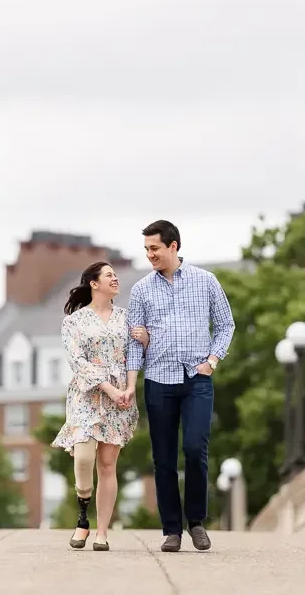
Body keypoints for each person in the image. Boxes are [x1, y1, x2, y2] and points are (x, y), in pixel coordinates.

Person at [123, 220, 235, 552]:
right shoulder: (141, 289)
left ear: (173, 246)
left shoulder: (206, 281)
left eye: (154, 248)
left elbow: (226, 324)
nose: (149, 255)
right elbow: (133, 341)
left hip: (197, 380)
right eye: (146, 249)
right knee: (164, 458)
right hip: (158, 381)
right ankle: (172, 530)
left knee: (195, 449)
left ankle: (197, 522)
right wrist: (132, 383)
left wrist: (212, 361)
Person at [51, 261, 148, 551]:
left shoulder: (127, 318)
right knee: (83, 456)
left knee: (107, 465)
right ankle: (83, 512)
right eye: (109, 275)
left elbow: (133, 354)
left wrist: (130, 387)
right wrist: (107, 387)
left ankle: (101, 531)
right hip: (87, 394)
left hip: (120, 397)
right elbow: (77, 361)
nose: (115, 279)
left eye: (115, 275)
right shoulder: (74, 322)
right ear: (94, 283)